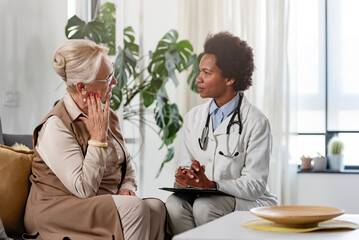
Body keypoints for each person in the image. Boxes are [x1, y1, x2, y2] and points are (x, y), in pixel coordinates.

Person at [24, 39, 166, 240]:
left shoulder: (107, 114)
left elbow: (126, 165)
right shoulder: (56, 126)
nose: (114, 83)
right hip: (58, 210)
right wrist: (98, 138)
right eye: (107, 79)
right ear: (82, 87)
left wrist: (126, 188)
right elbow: (84, 189)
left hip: (99, 203)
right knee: (134, 208)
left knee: (156, 208)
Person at [165, 32, 278, 235]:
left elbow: (255, 184)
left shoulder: (256, 121)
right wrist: (185, 178)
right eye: (200, 71)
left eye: (207, 73)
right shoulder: (194, 118)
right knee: (174, 204)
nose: (198, 78)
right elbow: (184, 164)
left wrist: (213, 185)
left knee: (206, 207)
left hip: (247, 200)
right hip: (204, 196)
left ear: (229, 78)